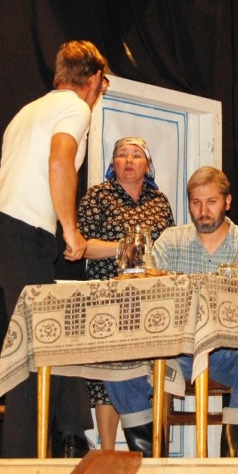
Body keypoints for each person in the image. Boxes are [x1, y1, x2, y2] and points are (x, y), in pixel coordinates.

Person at [0, 40, 109, 458]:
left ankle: (71, 436)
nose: (101, 92)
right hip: (25, 236)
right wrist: (71, 231)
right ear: (94, 79)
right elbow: (60, 162)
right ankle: (21, 462)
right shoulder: (75, 108)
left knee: (50, 335)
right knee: (34, 348)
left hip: (2, 234)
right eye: (103, 84)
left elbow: (1, 190)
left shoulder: (25, 114)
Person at [104, 165, 238, 457]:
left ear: (227, 202)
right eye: (196, 202)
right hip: (176, 354)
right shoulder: (171, 241)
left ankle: (230, 460)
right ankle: (147, 457)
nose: (203, 211)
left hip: (231, 355)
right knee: (117, 360)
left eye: (211, 202)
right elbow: (144, 292)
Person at [77, 136, 175, 450]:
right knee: (109, 372)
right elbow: (81, 246)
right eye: (122, 155)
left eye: (136, 155)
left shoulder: (159, 200)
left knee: (149, 371)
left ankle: (153, 450)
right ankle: (107, 451)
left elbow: (169, 246)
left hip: (150, 300)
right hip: (108, 298)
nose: (129, 160)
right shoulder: (98, 195)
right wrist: (128, 247)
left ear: (148, 165)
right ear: (112, 163)